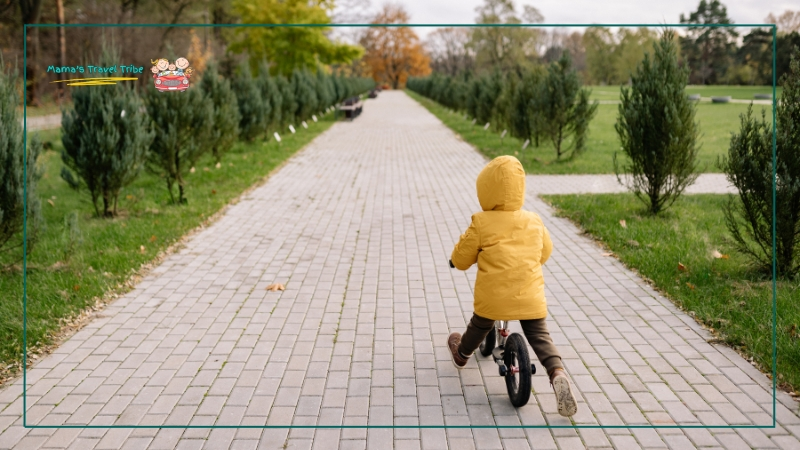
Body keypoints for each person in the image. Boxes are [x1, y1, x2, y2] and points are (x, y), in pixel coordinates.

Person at [447, 155, 578, 417]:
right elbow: (545, 252)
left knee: (479, 324)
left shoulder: (482, 222)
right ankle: (557, 372)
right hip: (530, 297)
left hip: (493, 299)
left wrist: (455, 261)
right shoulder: (533, 220)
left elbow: (462, 257)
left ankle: (461, 354)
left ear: (485, 190)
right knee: (540, 336)